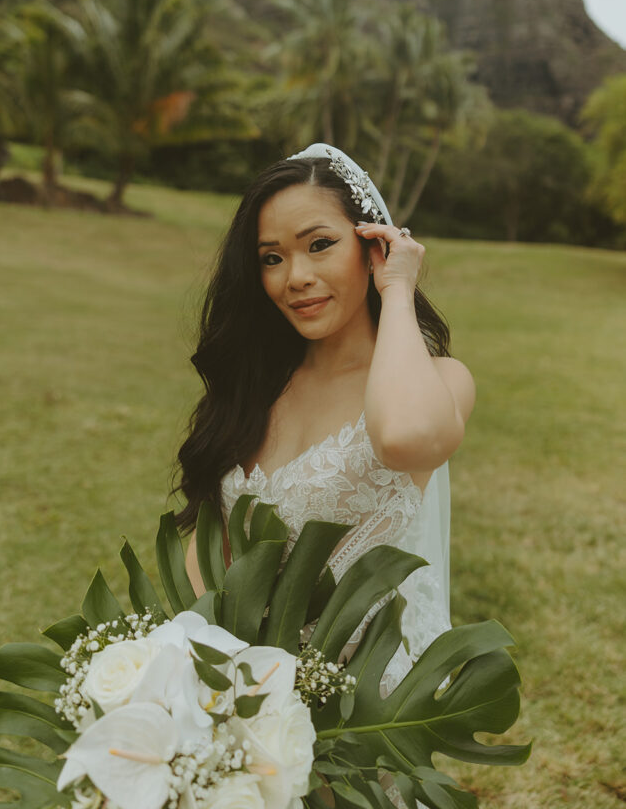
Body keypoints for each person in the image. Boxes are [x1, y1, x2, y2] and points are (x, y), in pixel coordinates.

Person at [175, 143, 475, 805]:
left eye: (318, 245)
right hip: (239, 687)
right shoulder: (260, 386)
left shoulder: (439, 382)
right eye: (271, 258)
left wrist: (397, 289)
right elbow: (212, 541)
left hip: (356, 704)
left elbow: (403, 437)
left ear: (371, 247)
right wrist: (184, 665)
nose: (294, 277)